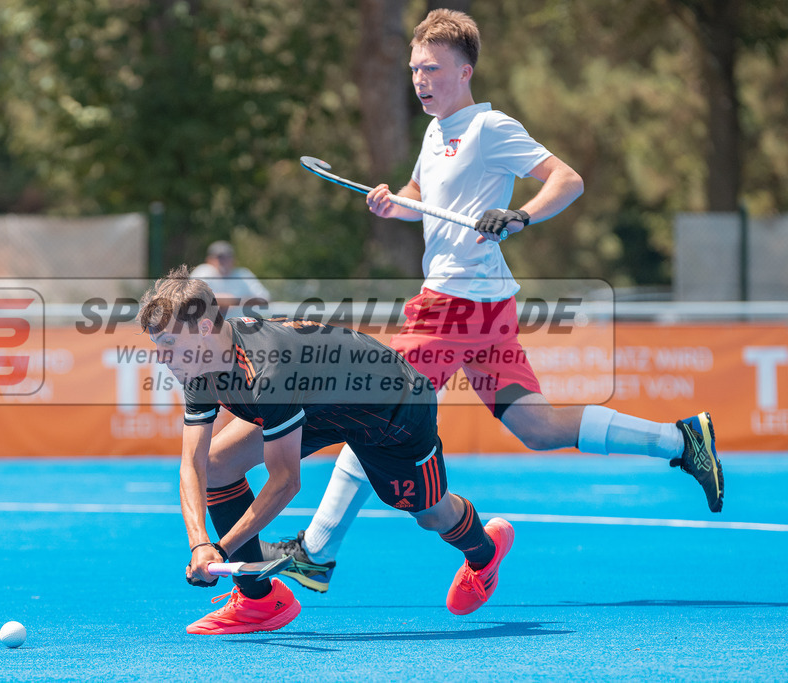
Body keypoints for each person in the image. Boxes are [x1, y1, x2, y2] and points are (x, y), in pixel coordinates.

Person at [260, 8, 724, 594]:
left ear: (465, 70)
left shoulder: (489, 127)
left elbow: (567, 179)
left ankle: (317, 552)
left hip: (454, 304)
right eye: (413, 70)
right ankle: (681, 440)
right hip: (481, 305)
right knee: (536, 425)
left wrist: (521, 214)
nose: (420, 80)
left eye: (431, 69)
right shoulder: (435, 132)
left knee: (374, 407)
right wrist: (392, 203)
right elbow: (420, 195)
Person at [139, 266, 514, 634]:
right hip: (318, 408)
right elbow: (192, 464)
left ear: (204, 328)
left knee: (432, 515)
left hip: (393, 409)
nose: (162, 358)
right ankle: (260, 601)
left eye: (169, 345)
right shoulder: (198, 366)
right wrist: (199, 544)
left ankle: (484, 554)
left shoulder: (267, 371)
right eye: (158, 347)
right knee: (217, 464)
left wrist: (220, 549)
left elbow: (285, 482)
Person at [190, 240, 270, 308]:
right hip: (207, 322)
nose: (224, 261)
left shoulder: (243, 274)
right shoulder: (203, 271)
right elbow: (189, 296)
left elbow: (264, 298)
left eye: (227, 257)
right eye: (219, 257)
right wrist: (220, 300)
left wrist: (234, 301)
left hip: (239, 322)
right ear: (209, 260)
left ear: (234, 260)